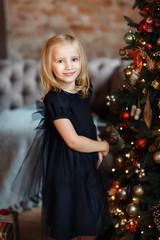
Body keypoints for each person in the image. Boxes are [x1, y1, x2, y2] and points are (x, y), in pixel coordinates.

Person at [13, 33, 110, 240]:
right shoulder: (55, 99)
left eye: (74, 59)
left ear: (81, 61)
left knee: (90, 217)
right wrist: (103, 146)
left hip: (87, 162)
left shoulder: (85, 89)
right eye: (60, 61)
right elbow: (73, 140)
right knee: (68, 219)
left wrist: (96, 145)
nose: (69, 66)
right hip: (66, 168)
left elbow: (87, 123)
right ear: (50, 66)